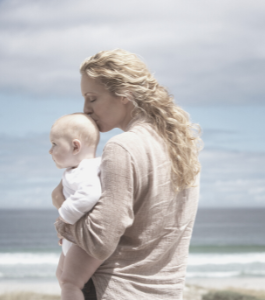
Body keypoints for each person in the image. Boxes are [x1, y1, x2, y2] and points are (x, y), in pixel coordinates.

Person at [53, 49, 202, 300]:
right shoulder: (182, 147)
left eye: (92, 98)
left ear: (123, 94)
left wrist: (62, 208)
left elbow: (99, 241)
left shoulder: (123, 147)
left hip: (114, 291)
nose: (85, 109)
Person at [49, 113, 103, 300]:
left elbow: (91, 194)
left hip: (84, 243)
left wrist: (64, 218)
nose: (50, 151)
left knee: (70, 283)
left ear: (75, 146)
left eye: (54, 144)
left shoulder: (86, 169)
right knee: (60, 276)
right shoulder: (76, 171)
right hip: (74, 240)